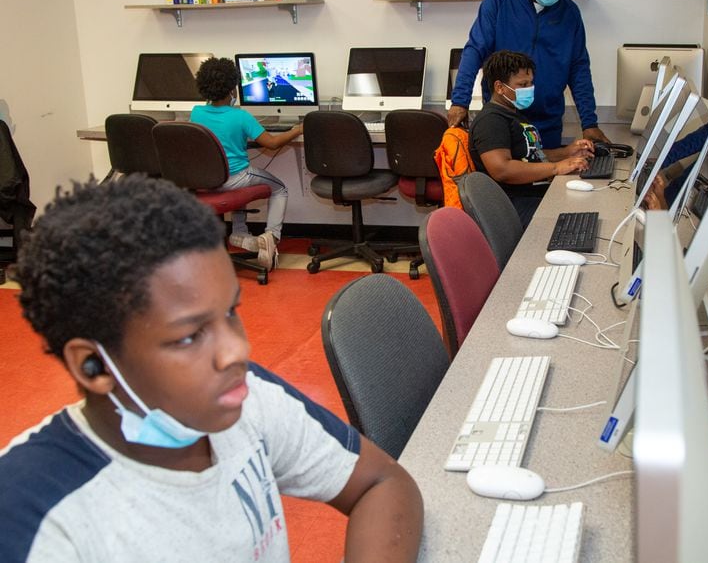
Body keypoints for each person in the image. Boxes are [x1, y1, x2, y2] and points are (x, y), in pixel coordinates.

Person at [0, 176, 423, 563]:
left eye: (231, 312)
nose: (236, 351)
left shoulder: (245, 397)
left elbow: (381, 483)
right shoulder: (35, 518)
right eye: (189, 336)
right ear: (93, 367)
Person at [448, 0, 610, 149]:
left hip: (547, 124)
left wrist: (589, 123)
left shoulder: (570, 13)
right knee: (504, 174)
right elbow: (474, 51)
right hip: (502, 121)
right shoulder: (499, 1)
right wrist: (460, 101)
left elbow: (579, 70)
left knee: (546, 174)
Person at [190, 57, 303, 270]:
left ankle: (240, 233)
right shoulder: (240, 117)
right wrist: (297, 130)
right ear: (233, 87)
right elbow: (271, 143)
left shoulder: (196, 113)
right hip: (236, 178)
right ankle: (271, 237)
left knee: (241, 181)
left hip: (206, 181)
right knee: (279, 188)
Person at [469, 50, 593, 227]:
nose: (529, 88)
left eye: (530, 83)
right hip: (514, 205)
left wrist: (568, 152)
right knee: (581, 221)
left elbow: (532, 156)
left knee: (591, 204)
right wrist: (556, 168)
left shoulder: (515, 115)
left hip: (532, 195)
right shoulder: (491, 121)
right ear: (499, 87)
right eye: (522, 84)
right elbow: (502, 169)